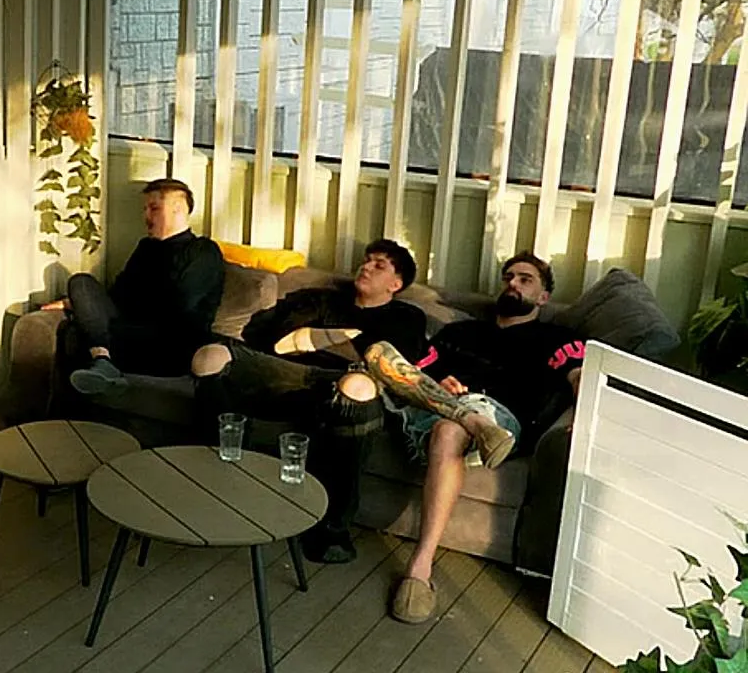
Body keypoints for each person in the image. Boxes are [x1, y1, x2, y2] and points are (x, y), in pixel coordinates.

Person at [361, 251, 585, 624]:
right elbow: (414, 373)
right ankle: (468, 419)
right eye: (508, 277)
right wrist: (440, 385)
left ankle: (420, 568)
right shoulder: (460, 332)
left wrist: (582, 416)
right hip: (429, 406)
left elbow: (580, 378)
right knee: (378, 353)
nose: (513, 283)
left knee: (450, 429)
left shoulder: (555, 338)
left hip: (496, 414)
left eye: (525, 279)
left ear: (544, 297)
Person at [191, 239, 427, 564]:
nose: (366, 267)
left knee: (357, 387)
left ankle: (332, 531)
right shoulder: (320, 299)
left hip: (347, 384)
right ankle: (224, 487)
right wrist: (340, 338)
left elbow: (394, 361)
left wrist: (317, 338)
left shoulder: (406, 316)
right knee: (209, 357)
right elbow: (271, 337)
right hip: (286, 372)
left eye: (379, 265)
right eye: (366, 260)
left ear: (396, 284)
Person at [42, 178, 225, 394]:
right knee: (80, 282)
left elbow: (179, 306)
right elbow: (118, 294)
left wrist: (125, 313)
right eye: (144, 209)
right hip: (124, 333)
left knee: (99, 333)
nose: (146, 216)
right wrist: (75, 303)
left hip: (170, 343)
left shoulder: (203, 250)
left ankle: (105, 362)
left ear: (178, 208)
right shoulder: (146, 247)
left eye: (154, 208)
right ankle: (103, 360)